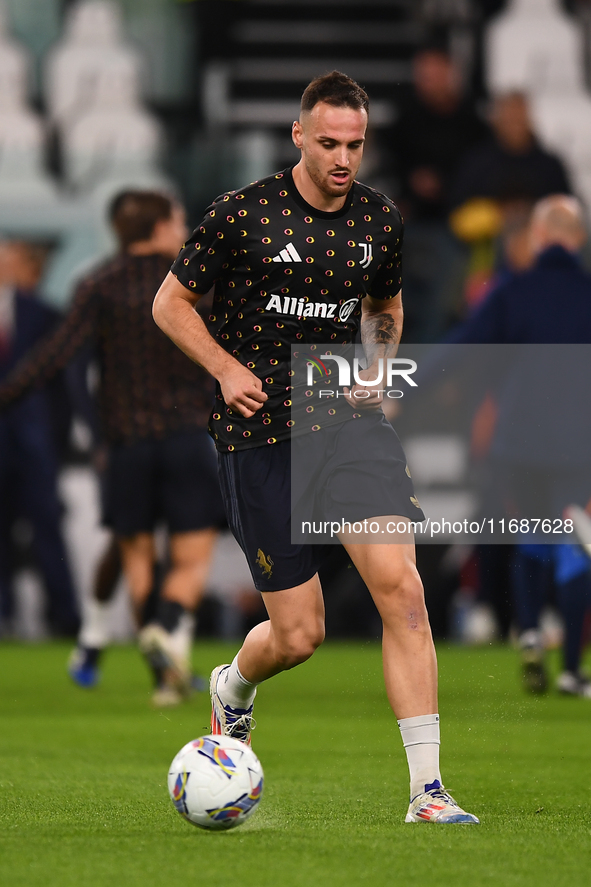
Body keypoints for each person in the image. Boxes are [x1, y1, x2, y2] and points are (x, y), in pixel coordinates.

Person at [153, 71, 479, 824]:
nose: (342, 158)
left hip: (346, 423)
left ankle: (426, 790)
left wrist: (375, 363)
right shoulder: (241, 215)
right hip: (258, 431)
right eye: (328, 142)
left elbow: (386, 306)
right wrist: (226, 368)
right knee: (299, 634)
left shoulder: (379, 221)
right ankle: (233, 684)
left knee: (402, 589)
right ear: (297, 135)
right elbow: (169, 304)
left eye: (354, 145)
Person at [0, 191, 224, 706]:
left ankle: (159, 668)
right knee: (189, 561)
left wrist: (6, 393)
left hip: (125, 446)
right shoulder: (193, 284)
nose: (182, 228)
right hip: (188, 436)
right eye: (177, 220)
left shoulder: (97, 284)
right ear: (160, 227)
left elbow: (52, 356)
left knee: (137, 558)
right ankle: (167, 627)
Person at [449, 195, 591, 697]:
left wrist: (398, 387)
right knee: (574, 549)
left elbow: (462, 347)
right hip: (577, 448)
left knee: (530, 537)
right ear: (578, 240)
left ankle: (529, 631)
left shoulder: (514, 293)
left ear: (537, 237)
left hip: (519, 444)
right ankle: (573, 670)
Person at [382, 47, 490, 342]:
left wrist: (444, 186)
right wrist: (408, 186)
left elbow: (479, 175)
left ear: (450, 74)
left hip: (454, 226)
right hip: (407, 220)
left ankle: (430, 365)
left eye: (433, 74)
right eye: (422, 75)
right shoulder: (405, 116)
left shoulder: (471, 122)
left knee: (442, 296)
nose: (426, 81)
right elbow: (389, 162)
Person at [0, 241, 80, 637]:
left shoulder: (46, 315)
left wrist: (59, 443)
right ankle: (4, 615)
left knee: (48, 528)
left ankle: (63, 616)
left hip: (37, 446)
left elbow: (62, 389)